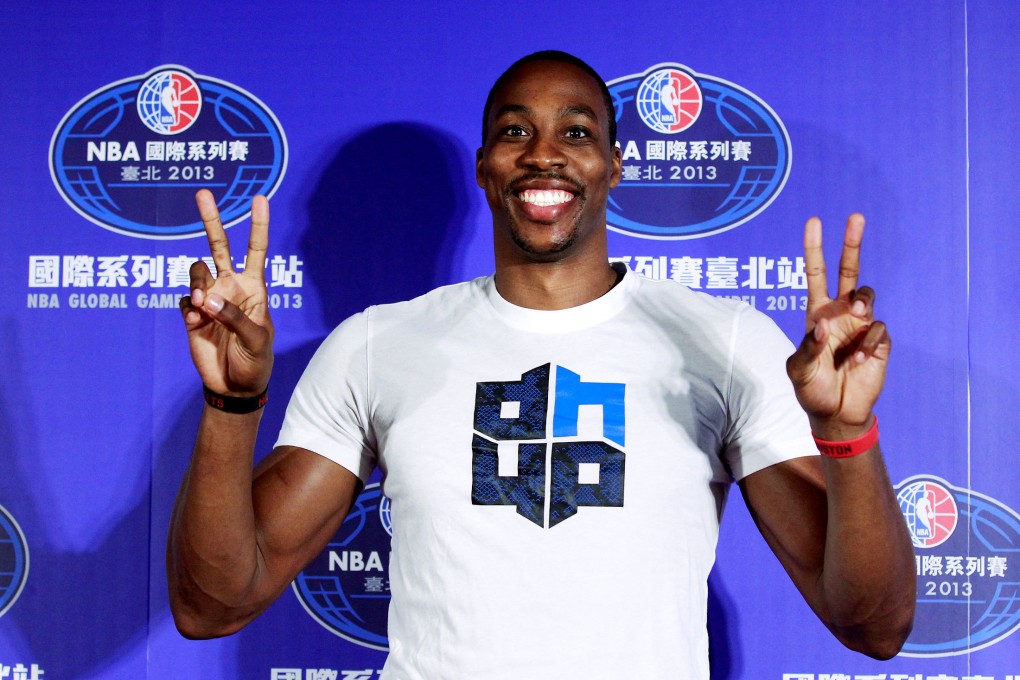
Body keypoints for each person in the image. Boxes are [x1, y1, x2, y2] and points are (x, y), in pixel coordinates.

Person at [168, 50, 915, 679]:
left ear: (614, 166)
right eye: (515, 131)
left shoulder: (722, 341)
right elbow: (211, 606)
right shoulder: (377, 346)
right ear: (485, 167)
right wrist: (232, 405)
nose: (543, 153)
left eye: (577, 131)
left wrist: (846, 434)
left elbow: (874, 626)